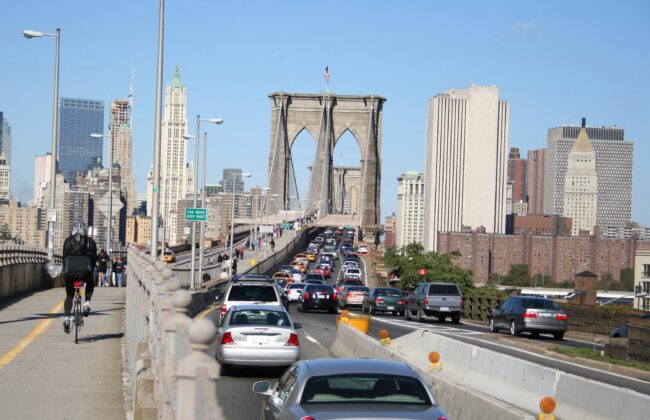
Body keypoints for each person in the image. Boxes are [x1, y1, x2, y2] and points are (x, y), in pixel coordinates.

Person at [61, 222, 97, 334]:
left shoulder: (67, 241)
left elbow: (64, 258)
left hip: (70, 272)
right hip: (85, 273)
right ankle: (86, 303)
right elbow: (94, 259)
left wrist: (65, 271)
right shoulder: (90, 242)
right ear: (85, 231)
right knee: (90, 283)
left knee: (69, 295)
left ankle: (67, 318)